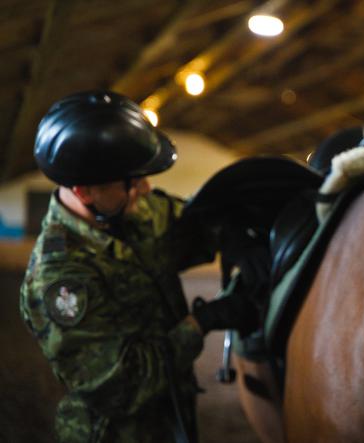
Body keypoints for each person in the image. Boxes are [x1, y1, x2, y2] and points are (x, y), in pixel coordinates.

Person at [19, 90, 260, 442]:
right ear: (85, 192)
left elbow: (192, 224)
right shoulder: (61, 278)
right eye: (132, 182)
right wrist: (200, 323)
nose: (145, 189)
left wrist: (239, 232)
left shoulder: (129, 211)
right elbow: (119, 385)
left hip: (173, 415)